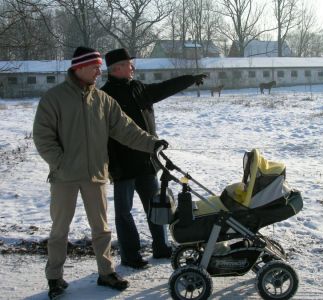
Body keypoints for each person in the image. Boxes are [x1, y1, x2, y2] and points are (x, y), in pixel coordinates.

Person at [32, 46, 168, 299]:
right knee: (60, 230)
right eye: (94, 67)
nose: (99, 72)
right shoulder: (54, 98)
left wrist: (152, 143)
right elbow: (42, 136)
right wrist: (60, 163)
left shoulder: (103, 101)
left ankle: (106, 272)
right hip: (64, 177)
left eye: (99, 67)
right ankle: (54, 277)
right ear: (79, 67)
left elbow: (126, 129)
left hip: (95, 174)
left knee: (102, 229)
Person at [101, 48, 207, 269]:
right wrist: (112, 166)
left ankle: (161, 247)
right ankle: (130, 255)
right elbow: (102, 137)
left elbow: (163, 89)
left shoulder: (138, 87)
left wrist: (188, 80)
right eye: (129, 64)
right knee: (123, 212)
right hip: (123, 166)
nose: (133, 67)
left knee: (156, 206)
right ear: (117, 67)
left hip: (147, 162)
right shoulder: (106, 96)